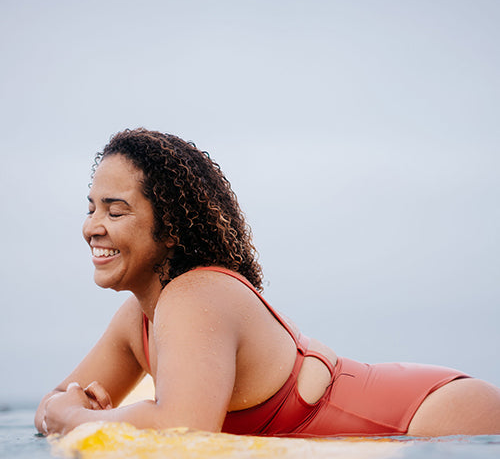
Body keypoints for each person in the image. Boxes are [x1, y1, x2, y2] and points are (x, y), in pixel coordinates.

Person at [35, 129, 500, 438]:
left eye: (116, 211)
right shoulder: (136, 320)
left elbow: (182, 430)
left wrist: (75, 418)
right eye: (91, 208)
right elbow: (50, 405)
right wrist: (66, 410)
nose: (92, 226)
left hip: (435, 420)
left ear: (172, 227)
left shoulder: (198, 296)